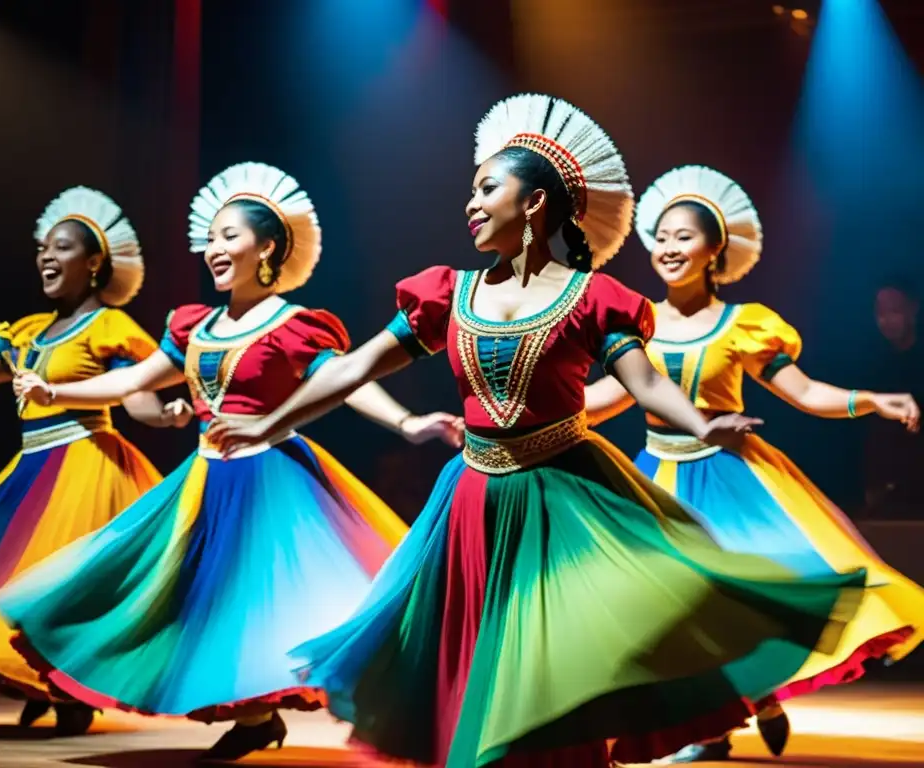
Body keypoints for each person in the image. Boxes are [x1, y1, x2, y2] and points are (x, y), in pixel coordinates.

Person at [202, 95, 869, 768]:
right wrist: (267, 418)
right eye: (471, 190)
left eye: (487, 187)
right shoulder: (447, 295)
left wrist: (704, 422)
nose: (471, 202)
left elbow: (644, 383)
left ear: (535, 204)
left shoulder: (591, 299)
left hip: (563, 497)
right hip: (472, 503)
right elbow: (350, 369)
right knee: (478, 672)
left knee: (558, 671)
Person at [6, 162, 462, 762]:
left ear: (267, 246)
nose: (214, 249)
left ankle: (313, 709)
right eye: (211, 238)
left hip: (269, 475)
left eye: (230, 237)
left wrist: (407, 421)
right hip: (205, 479)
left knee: (277, 599)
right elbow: (136, 381)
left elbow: (347, 380)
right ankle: (255, 719)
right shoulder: (195, 326)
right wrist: (55, 391)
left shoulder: (293, 326)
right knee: (198, 603)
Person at [581, 165, 924, 761]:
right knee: (659, 602)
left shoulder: (745, 326)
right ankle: (705, 719)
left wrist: (873, 401)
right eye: (661, 236)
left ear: (716, 250)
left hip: (729, 478)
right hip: (655, 477)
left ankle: (744, 701)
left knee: (743, 595)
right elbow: (602, 400)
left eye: (683, 236)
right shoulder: (638, 326)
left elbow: (808, 394)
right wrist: (512, 409)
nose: (668, 247)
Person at [0, 186, 193, 735]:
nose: (46, 257)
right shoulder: (28, 333)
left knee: (60, 584)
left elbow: (139, 396)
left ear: (94, 263)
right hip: (30, 472)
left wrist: (168, 416)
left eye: (61, 248)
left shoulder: (108, 325)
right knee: (0, 582)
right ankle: (38, 679)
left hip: (85, 465)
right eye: (43, 250)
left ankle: (67, 687)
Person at [863, 279, 924, 518]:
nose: (886, 320)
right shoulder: (875, 362)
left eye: (894, 310)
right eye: (880, 312)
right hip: (894, 485)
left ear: (913, 308)